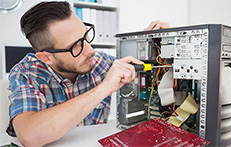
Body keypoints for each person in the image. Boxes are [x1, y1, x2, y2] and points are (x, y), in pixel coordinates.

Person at [6, 1, 170, 146]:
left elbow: (137, 66)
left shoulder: (100, 62)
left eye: (86, 36)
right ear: (46, 57)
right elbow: (30, 136)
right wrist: (104, 88)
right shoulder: (25, 73)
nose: (90, 50)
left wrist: (154, 41)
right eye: (76, 46)